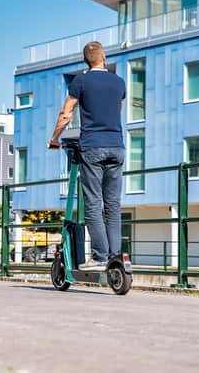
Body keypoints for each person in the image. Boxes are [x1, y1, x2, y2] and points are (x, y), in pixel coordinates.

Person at [48, 41, 126, 272]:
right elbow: (117, 112)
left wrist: (54, 139)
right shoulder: (119, 82)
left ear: (86, 61)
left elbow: (66, 113)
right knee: (113, 205)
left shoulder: (80, 81)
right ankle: (116, 256)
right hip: (117, 147)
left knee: (93, 203)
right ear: (104, 57)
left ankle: (100, 256)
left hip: (92, 147)